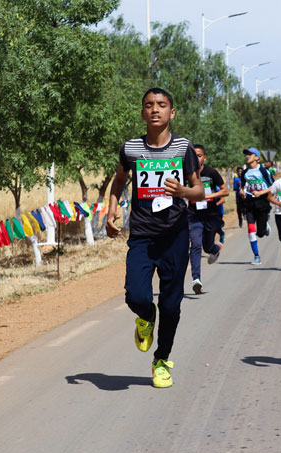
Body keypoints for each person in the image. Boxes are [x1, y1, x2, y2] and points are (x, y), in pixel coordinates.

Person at [106, 87, 204, 388]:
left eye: (162, 105)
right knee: (136, 295)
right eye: (149, 105)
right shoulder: (131, 149)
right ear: (142, 112)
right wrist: (111, 211)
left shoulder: (183, 148)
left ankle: (161, 360)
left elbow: (198, 190)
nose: (155, 110)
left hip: (175, 236)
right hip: (143, 236)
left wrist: (183, 192)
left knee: (172, 306)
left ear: (171, 113)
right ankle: (146, 317)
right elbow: (119, 180)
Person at [188, 144, 228, 294]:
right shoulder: (187, 172)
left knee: (207, 246)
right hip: (193, 215)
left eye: (199, 155)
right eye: (193, 155)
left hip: (210, 214)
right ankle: (196, 279)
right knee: (196, 244)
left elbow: (225, 191)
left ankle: (216, 248)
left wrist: (207, 196)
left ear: (204, 157)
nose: (196, 158)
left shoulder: (211, 173)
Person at [240, 148, 274, 265]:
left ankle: (264, 227)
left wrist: (261, 192)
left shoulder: (264, 171)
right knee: (250, 229)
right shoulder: (244, 173)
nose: (247, 156)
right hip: (249, 203)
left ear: (257, 158)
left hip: (262, 203)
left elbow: (273, 186)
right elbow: (243, 186)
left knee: (260, 233)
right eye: (246, 154)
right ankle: (256, 256)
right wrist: (242, 192)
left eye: (250, 154)